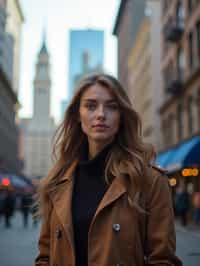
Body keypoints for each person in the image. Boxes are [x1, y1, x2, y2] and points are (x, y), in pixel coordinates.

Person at [35, 73, 182, 266]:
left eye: (112, 107)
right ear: (77, 115)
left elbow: (163, 260)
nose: (101, 114)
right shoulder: (57, 182)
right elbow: (45, 257)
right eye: (90, 106)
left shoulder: (149, 181)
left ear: (122, 116)